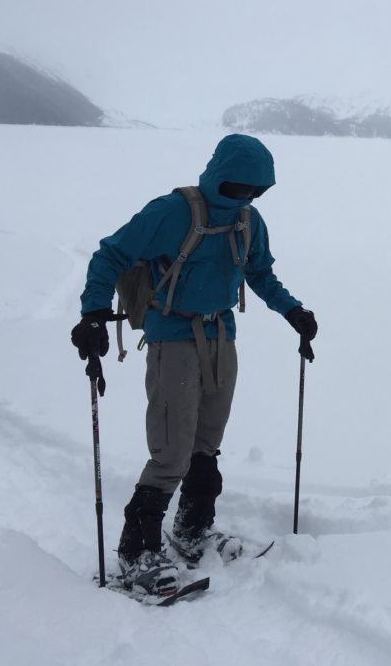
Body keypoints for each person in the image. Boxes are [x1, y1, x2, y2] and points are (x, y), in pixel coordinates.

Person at [70, 134, 318, 597]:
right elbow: (111, 254)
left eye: (255, 191)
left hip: (222, 337)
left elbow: (259, 272)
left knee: (206, 443)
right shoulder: (173, 211)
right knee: (171, 448)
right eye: (239, 187)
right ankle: (135, 550)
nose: (246, 197)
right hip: (173, 338)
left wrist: (293, 311)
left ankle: (190, 530)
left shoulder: (249, 220)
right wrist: (92, 314)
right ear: (220, 176)